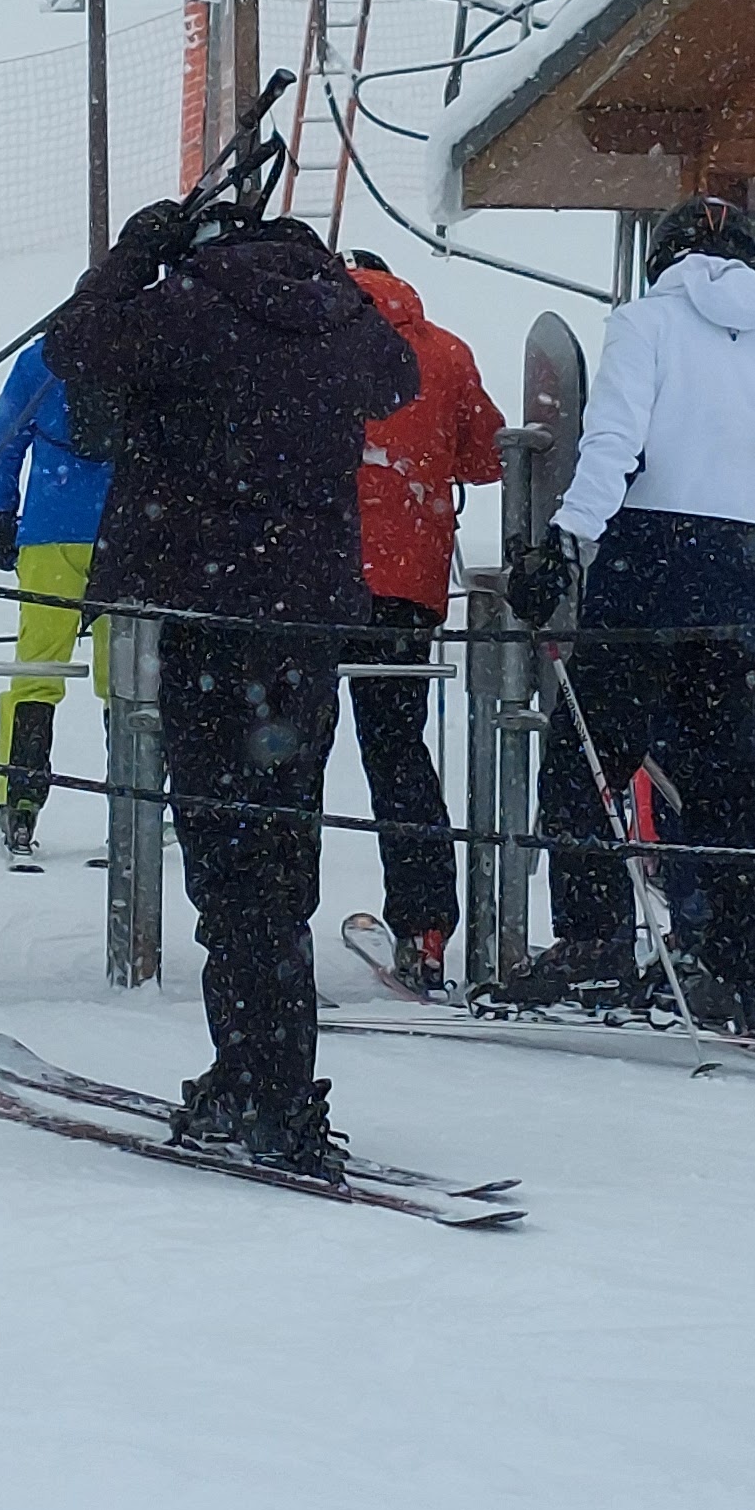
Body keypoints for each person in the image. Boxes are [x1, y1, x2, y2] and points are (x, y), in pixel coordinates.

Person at [47, 189, 416, 1174]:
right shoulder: (335, 319)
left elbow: (73, 348)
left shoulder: (189, 309)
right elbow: (398, 374)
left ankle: (257, 1086)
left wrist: (132, 254)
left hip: (207, 611)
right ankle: (275, 1079)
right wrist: (331, 280)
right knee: (282, 855)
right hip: (306, 619)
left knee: (226, 856)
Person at [506, 197, 755, 1036]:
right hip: (743, 576)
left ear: (661, 259)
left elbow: (614, 445)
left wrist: (563, 544)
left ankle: (594, 942)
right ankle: (746, 967)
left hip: (647, 563)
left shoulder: (646, 324)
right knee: (730, 778)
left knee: (588, 758)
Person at [341, 253, 502, 991]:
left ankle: (271, 923)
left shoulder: (308, 338)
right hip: (408, 582)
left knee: (286, 751)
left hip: (313, 577)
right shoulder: (443, 351)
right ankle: (425, 926)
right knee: (398, 751)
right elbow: (487, 457)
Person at [0, 335, 112, 865]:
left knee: (37, 671)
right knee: (128, 680)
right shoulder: (144, 345)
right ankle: (134, 808)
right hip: (128, 535)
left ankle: (19, 807)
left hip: (52, 528)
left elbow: (6, 437)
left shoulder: (44, 356)